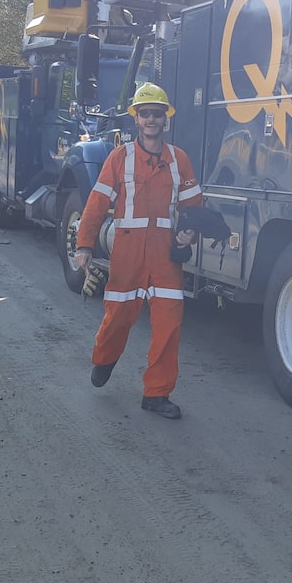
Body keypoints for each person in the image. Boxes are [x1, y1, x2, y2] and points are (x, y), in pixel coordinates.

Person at [73, 83, 202, 419]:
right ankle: (103, 359)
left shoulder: (180, 159)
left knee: (169, 323)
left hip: (164, 254)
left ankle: (156, 394)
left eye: (157, 114)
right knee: (118, 317)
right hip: (128, 251)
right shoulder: (120, 158)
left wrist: (189, 234)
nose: (151, 120)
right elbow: (97, 202)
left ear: (165, 119)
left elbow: (193, 206)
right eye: (145, 114)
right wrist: (84, 245)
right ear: (136, 119)